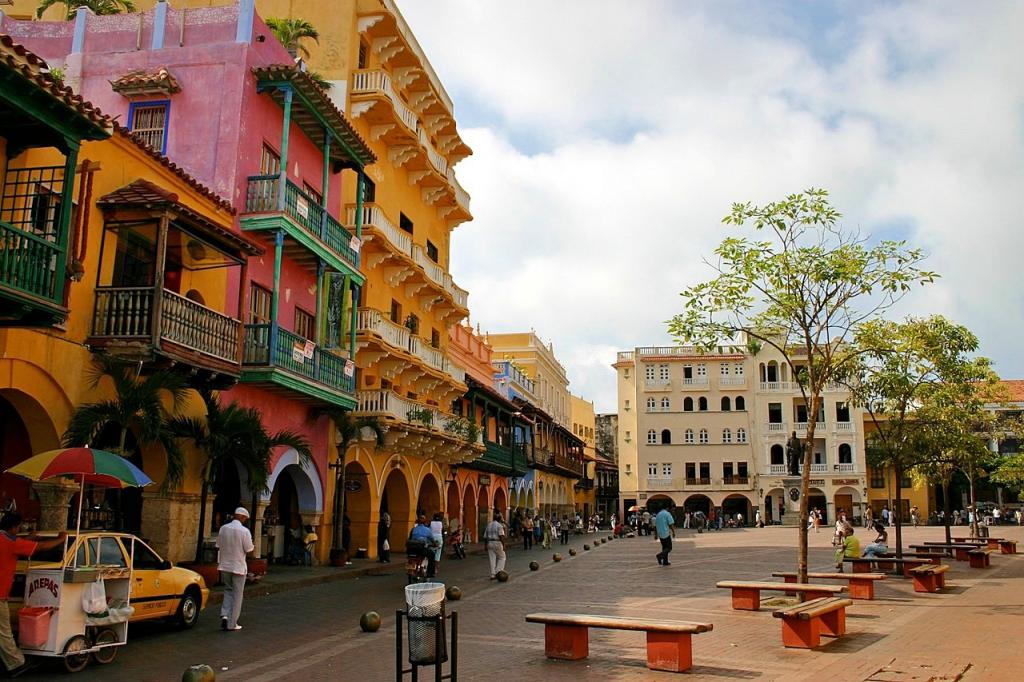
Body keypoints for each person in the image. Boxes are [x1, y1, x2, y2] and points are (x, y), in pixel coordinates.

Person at [0, 512, 66, 677]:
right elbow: (41, 548)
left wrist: (31, 537)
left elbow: (19, 543)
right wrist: (61, 539)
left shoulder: (7, 540)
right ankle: (16, 663)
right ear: (15, 527)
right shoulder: (10, 542)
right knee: (4, 632)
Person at [217, 507, 255, 631]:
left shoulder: (223, 528)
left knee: (228, 590)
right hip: (238, 566)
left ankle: (225, 615)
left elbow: (218, 545)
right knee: (238, 594)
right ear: (243, 517)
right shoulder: (244, 531)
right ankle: (232, 623)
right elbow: (249, 550)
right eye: (245, 519)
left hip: (225, 565)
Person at [483, 513, 507, 579]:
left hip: (490, 542)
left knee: (492, 558)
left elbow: (485, 537)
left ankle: (492, 574)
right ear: (500, 519)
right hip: (497, 542)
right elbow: (501, 536)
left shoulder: (489, 525)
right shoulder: (499, 526)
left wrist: (485, 545)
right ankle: (498, 572)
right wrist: (504, 545)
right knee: (502, 557)